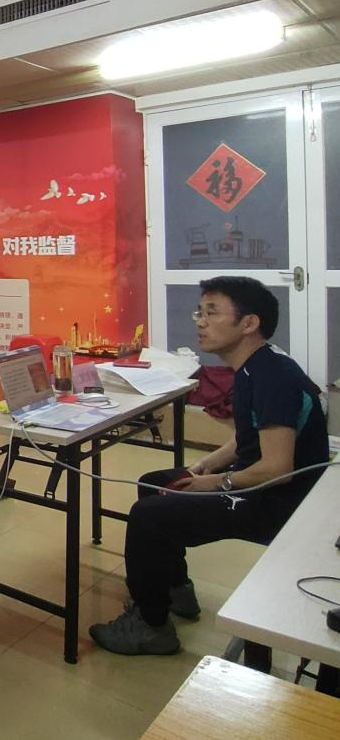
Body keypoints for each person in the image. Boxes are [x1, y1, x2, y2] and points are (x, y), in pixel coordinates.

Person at [90, 276, 330, 656]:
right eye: (199, 312)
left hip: (281, 501)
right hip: (264, 483)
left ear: (249, 323)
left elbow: (277, 468)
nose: (200, 322)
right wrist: (206, 465)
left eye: (212, 312)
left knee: (147, 517)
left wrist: (216, 482)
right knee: (154, 483)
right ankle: (175, 589)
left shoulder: (271, 378)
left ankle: (151, 627)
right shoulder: (257, 365)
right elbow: (249, 438)